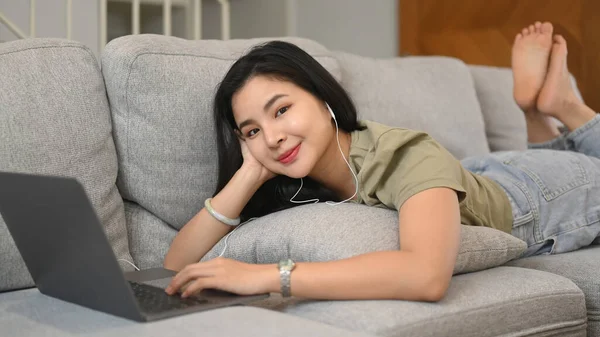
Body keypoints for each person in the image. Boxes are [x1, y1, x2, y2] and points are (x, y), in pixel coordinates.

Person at [163, 21, 600, 302]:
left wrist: (267, 276)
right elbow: (173, 265)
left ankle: (561, 105)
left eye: (281, 110)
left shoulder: (403, 155)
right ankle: (538, 112)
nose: (273, 137)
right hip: (477, 173)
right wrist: (252, 168)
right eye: (253, 130)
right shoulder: (284, 175)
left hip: (538, 196)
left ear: (321, 98)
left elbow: (426, 277)